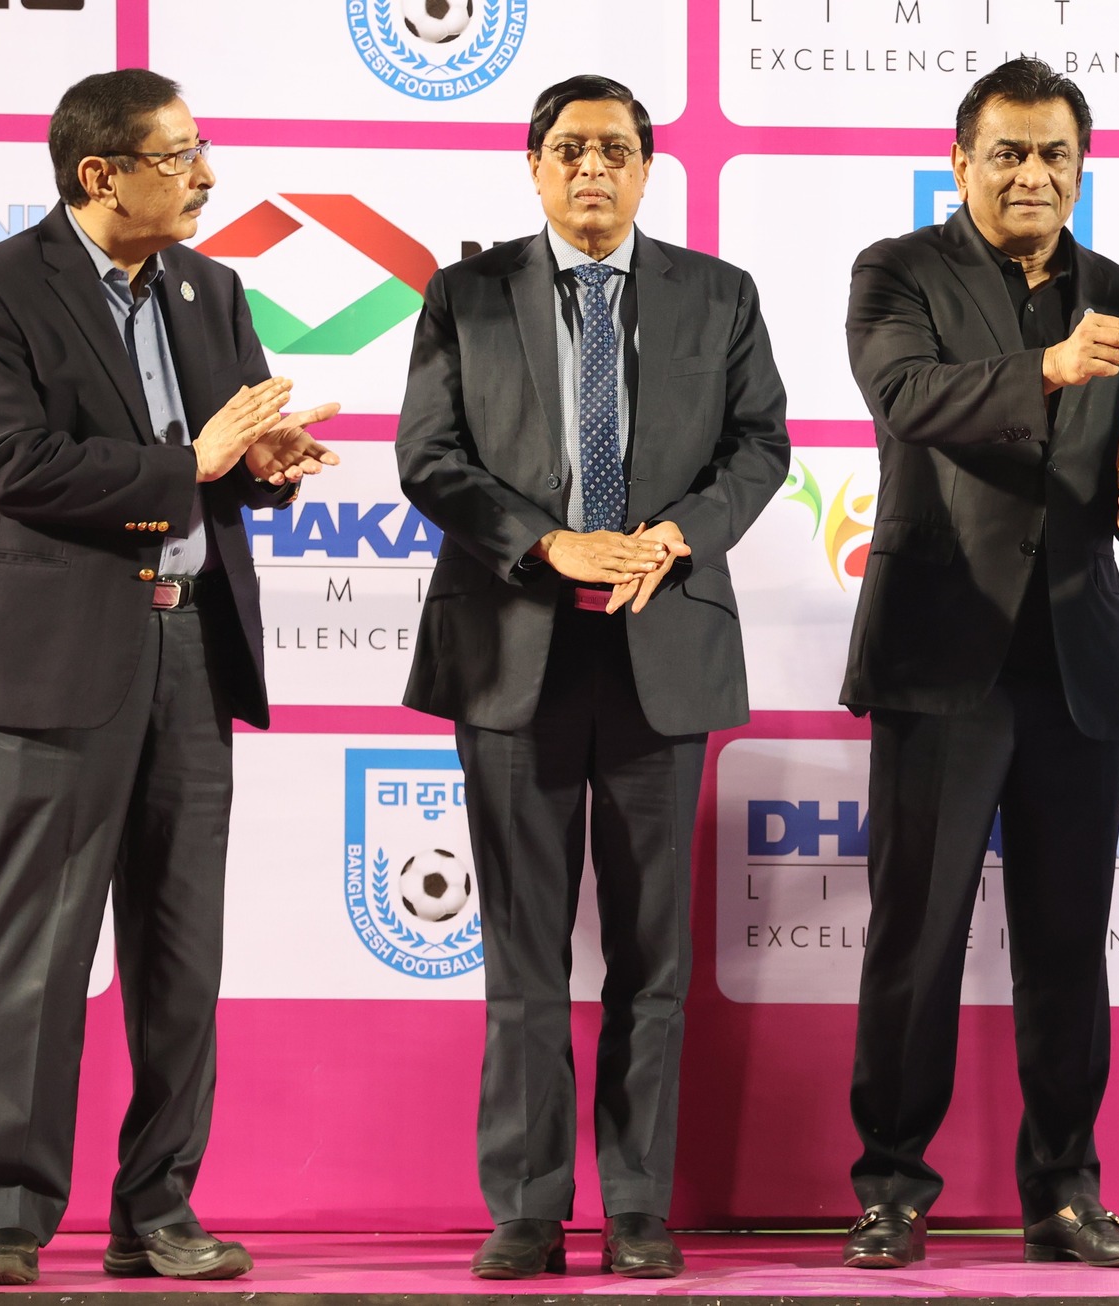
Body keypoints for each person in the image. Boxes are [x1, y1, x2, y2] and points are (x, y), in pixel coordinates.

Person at [0, 69, 339, 1286]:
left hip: (193, 648)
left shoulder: (212, 289)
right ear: (100, 174)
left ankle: (159, 1208)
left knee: (179, 950)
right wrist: (191, 463)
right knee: (36, 948)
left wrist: (264, 466)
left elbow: (223, 466)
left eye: (200, 147)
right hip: (53, 661)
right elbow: (15, 465)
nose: (205, 174)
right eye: (178, 155)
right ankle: (8, 1217)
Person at [395, 74, 790, 1282]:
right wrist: (547, 543)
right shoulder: (464, 295)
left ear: (647, 168)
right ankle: (525, 1205)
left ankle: (634, 1206)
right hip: (511, 650)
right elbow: (429, 456)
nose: (591, 169)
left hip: (660, 647)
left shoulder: (718, 294)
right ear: (533, 167)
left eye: (615, 149)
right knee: (520, 951)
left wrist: (674, 536)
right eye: (568, 149)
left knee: (651, 958)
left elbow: (759, 444)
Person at [837, 57, 1119, 1271]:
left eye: (1052, 155)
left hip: (1073, 658)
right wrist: (1047, 366)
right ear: (960, 162)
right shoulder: (896, 271)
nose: (1031, 174)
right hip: (939, 654)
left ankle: (1065, 1189)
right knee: (915, 937)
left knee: (1066, 941)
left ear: (1080, 168)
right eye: (1008, 153)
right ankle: (890, 1185)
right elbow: (906, 395)